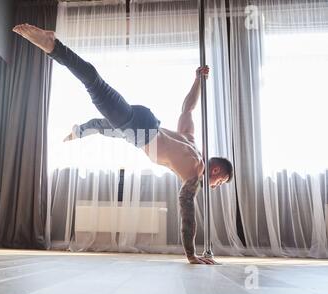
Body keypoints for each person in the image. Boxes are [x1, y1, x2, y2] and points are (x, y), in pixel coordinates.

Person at [13, 24, 233, 265]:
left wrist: (198, 79)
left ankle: (79, 131)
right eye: (220, 181)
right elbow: (187, 214)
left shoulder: (190, 142)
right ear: (216, 170)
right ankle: (53, 45)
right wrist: (191, 255)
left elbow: (188, 108)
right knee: (94, 84)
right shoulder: (194, 173)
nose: (215, 186)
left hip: (147, 120)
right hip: (143, 132)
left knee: (109, 126)